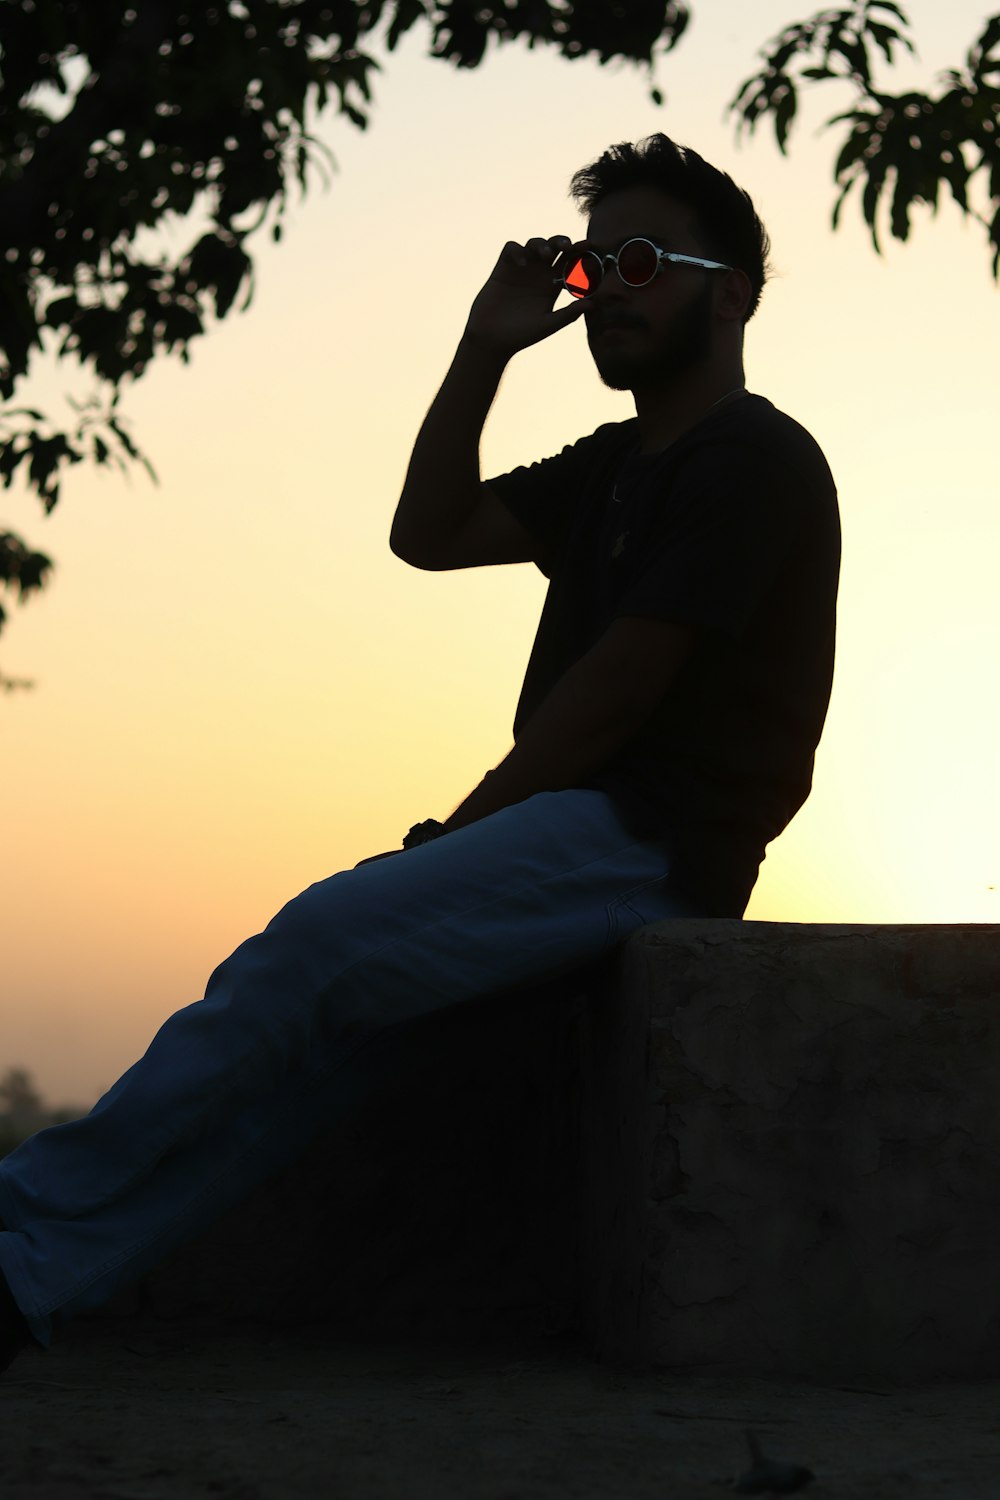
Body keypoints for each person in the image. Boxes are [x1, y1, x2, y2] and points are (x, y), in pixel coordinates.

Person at [0, 134, 840, 1370]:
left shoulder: (753, 460)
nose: (609, 289)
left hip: (647, 841)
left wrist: (468, 828)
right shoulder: (620, 465)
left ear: (731, 289)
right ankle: (30, 1282)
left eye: (643, 262)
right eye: (593, 268)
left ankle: (18, 1218)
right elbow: (430, 532)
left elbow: (619, 687)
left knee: (312, 946)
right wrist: (484, 347)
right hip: (576, 835)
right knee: (330, 1052)